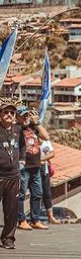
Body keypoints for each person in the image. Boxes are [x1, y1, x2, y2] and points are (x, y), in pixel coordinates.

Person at [16, 106, 49, 230]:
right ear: (17, 117)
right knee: (21, 194)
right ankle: (21, 220)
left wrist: (37, 123)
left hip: (36, 166)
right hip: (23, 167)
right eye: (23, 116)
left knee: (37, 193)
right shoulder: (16, 128)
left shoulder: (33, 128)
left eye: (27, 115)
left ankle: (35, 219)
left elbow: (46, 137)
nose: (25, 118)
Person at [0, 102, 25, 249]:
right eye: (5, 112)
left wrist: (22, 160)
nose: (9, 114)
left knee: (11, 210)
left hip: (13, 176)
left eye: (12, 112)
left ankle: (8, 238)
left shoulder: (18, 129)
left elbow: (23, 145)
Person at [39, 136, 59, 224]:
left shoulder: (46, 141)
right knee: (35, 194)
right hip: (32, 169)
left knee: (47, 193)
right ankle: (33, 218)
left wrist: (41, 159)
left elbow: (52, 153)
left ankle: (50, 216)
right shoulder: (30, 140)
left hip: (44, 169)